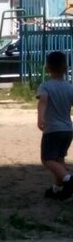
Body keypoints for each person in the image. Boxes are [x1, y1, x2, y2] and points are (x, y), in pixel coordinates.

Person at [37, 49, 73, 200]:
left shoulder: (45, 86)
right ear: (66, 68)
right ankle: (58, 189)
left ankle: (69, 180)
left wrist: (40, 118)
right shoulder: (70, 87)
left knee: (47, 159)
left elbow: (43, 102)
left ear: (47, 68)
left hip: (53, 129)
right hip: (68, 129)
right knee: (59, 159)